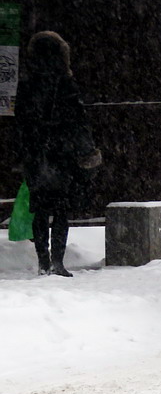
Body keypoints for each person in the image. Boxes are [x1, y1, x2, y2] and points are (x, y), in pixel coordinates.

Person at [15, 31, 96, 277]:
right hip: (62, 152)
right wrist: (85, 149)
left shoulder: (28, 83)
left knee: (40, 210)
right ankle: (58, 262)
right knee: (61, 210)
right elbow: (78, 118)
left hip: (37, 153)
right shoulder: (66, 82)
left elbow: (21, 119)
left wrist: (26, 149)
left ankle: (43, 262)